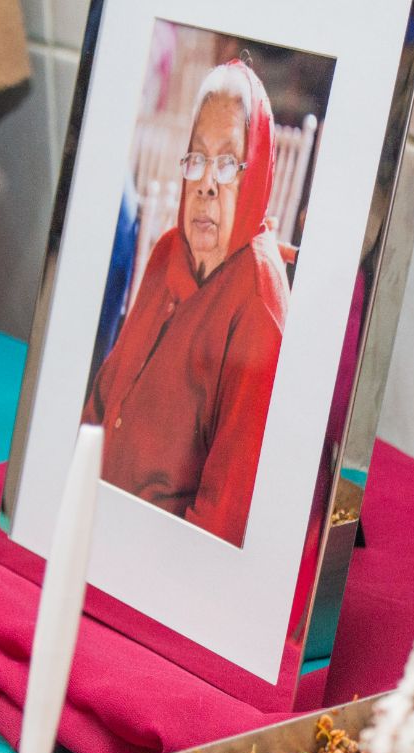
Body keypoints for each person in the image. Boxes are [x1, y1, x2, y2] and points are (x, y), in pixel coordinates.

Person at [83, 60, 289, 548]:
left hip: (156, 568)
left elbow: (224, 521)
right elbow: (102, 400)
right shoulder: (165, 253)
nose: (207, 184)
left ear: (255, 174)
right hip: (93, 530)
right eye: (196, 159)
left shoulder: (258, 305)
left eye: (227, 164)